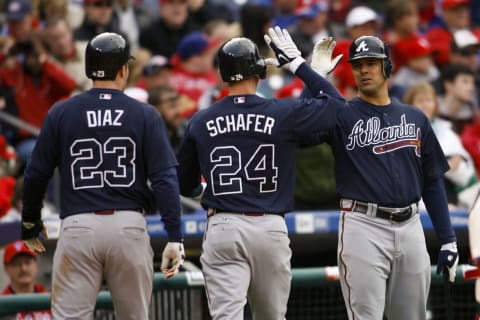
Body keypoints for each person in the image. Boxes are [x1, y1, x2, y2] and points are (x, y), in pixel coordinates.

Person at [176, 26, 343, 319]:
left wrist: (202, 190)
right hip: (269, 228)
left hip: (223, 225)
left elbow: (183, 183)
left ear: (223, 74)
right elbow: (336, 106)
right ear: (259, 72)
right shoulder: (280, 112)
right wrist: (300, 66)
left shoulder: (201, 120)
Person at [20, 32, 184, 320]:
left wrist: (31, 220)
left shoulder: (62, 112)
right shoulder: (144, 114)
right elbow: (165, 178)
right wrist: (174, 235)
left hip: (78, 226)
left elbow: (36, 173)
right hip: (128, 226)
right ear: (123, 70)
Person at [305, 35, 459, 320]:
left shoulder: (414, 117)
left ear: (387, 67)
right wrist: (313, 78)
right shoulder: (341, 114)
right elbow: (301, 128)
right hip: (362, 225)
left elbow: (432, 180)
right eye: (358, 65)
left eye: (371, 63)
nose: (364, 70)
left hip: (411, 225)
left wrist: (448, 240)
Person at [2, 240, 52, 319]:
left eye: (27, 262)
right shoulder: (3, 304)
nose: (23, 268)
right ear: (6, 268)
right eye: (16, 264)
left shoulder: (51, 299)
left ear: (36, 264)